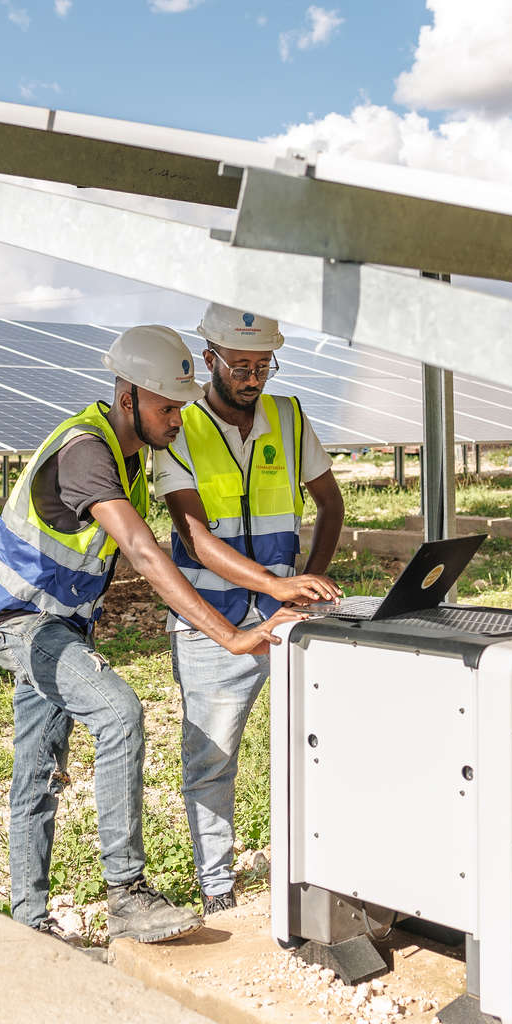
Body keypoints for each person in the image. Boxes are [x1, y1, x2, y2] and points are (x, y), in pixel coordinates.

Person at [0, 324, 303, 944]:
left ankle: (27, 925)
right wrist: (232, 636)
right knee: (120, 711)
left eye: (179, 405)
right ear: (129, 400)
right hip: (20, 620)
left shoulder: (127, 450)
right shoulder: (87, 451)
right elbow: (147, 555)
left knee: (37, 768)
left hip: (61, 624)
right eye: (168, 407)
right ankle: (126, 894)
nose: (179, 418)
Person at [155, 304, 346, 914]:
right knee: (212, 758)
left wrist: (308, 577)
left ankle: (322, 869)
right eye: (240, 364)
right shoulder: (178, 426)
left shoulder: (288, 418)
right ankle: (217, 891)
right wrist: (274, 584)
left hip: (289, 621)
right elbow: (194, 538)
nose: (252, 376)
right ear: (209, 358)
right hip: (212, 627)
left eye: (263, 364)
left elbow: (329, 503)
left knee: (318, 744)